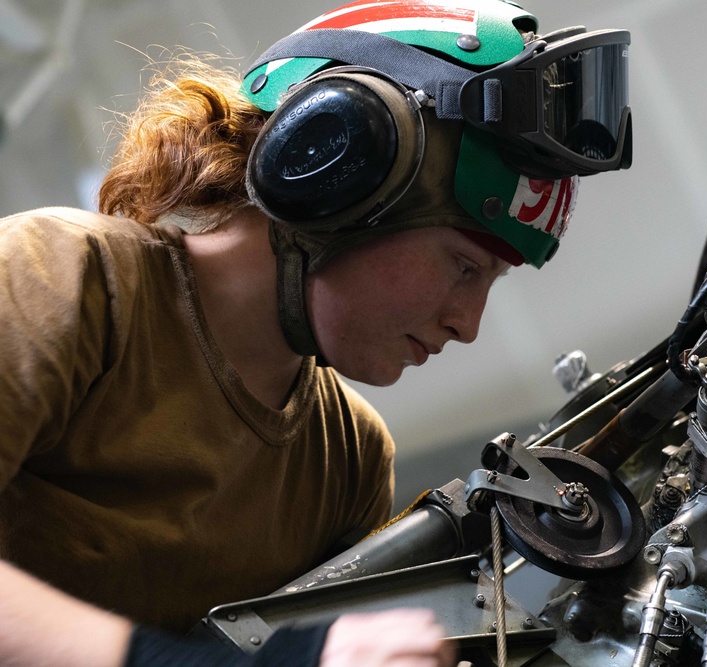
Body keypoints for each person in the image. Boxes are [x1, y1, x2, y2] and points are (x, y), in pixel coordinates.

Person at [0, 0, 631, 664]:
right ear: (339, 169)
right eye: (465, 266)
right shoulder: (66, 276)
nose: (466, 325)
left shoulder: (347, 459)